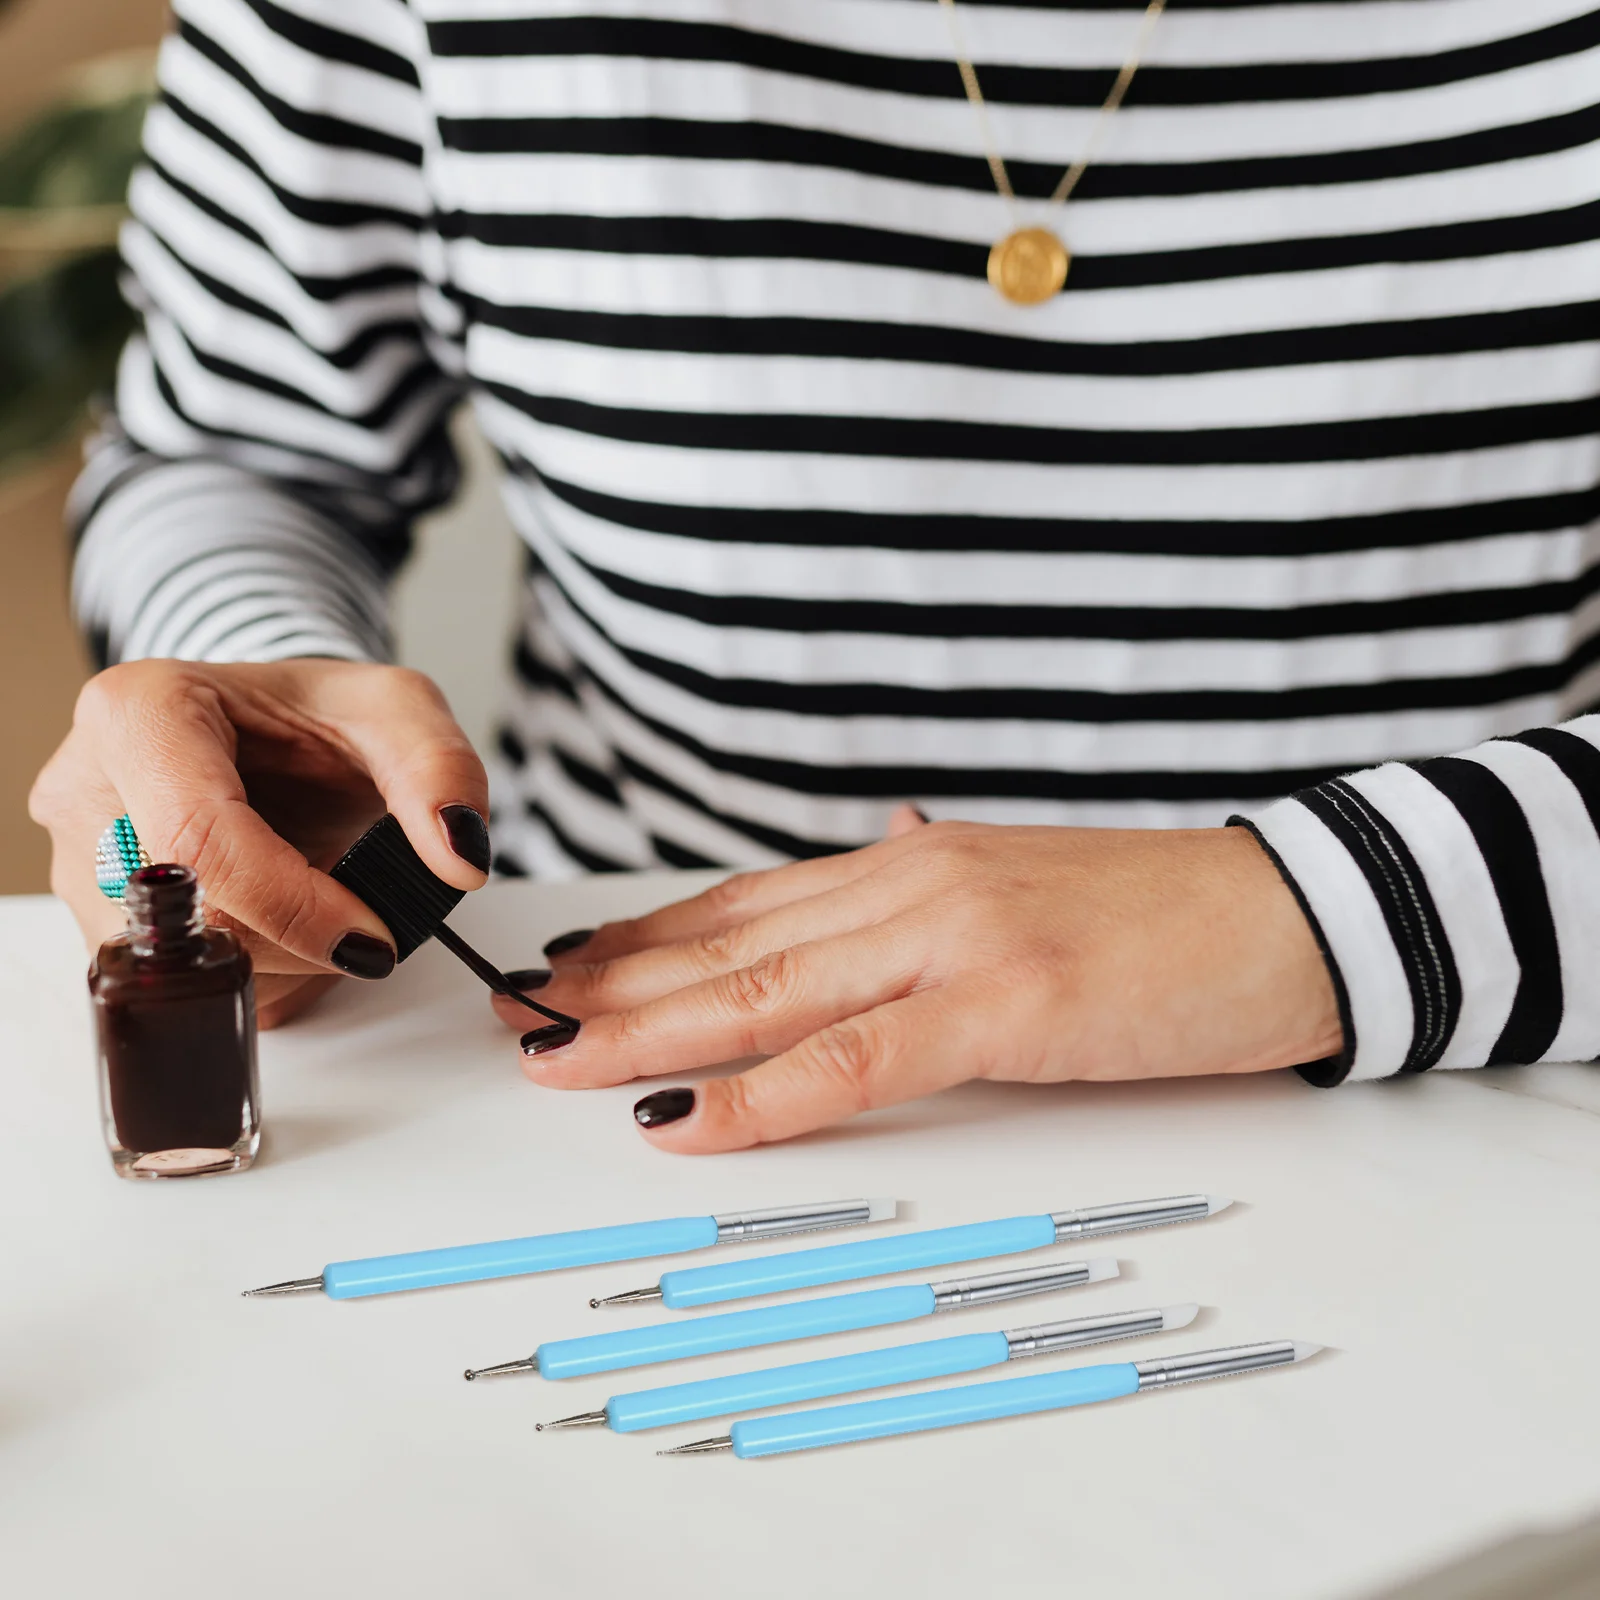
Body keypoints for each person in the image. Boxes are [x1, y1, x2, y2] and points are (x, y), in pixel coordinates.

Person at [30, 0, 1600, 1154]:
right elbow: (237, 451)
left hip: (1483, 1072)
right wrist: (244, 704)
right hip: (581, 1061)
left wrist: (1322, 913)